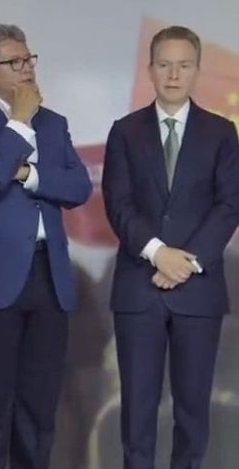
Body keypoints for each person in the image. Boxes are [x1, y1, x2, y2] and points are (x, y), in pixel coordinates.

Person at [0, 24, 92, 469]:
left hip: (50, 277)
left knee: (39, 407)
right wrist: (20, 121)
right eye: (15, 62)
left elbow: (78, 188)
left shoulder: (54, 122)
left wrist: (29, 174)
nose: (27, 69)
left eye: (29, 60)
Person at [102, 25, 239, 469]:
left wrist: (186, 262)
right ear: (150, 70)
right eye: (165, 64)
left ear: (197, 70)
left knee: (193, 414)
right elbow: (118, 203)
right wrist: (158, 253)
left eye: (183, 65)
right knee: (137, 415)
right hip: (138, 289)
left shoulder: (221, 133)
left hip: (198, 291)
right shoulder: (125, 131)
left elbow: (229, 204)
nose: (174, 74)